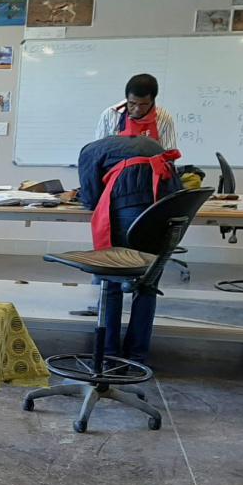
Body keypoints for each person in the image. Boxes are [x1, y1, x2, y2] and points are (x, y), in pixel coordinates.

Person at [77, 134, 182, 362]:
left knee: (111, 283)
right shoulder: (151, 145)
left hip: (130, 205)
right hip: (165, 206)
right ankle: (137, 357)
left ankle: (109, 355)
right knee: (147, 285)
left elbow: (91, 197)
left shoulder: (89, 152)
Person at [94, 73, 177, 149]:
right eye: (132, 103)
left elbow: (169, 154)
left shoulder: (164, 118)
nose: (137, 109)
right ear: (127, 98)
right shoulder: (110, 115)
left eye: (143, 104)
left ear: (152, 101)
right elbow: (98, 150)